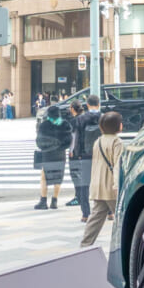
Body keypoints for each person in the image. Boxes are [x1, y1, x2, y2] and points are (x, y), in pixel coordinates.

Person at [80, 111, 123, 247]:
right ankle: (123, 246)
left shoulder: (98, 141)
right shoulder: (117, 142)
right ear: (119, 126)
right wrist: (117, 184)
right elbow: (118, 165)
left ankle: (85, 245)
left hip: (98, 186)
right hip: (111, 187)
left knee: (95, 218)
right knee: (123, 218)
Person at [68, 96, 102, 221]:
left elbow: (76, 138)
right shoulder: (103, 117)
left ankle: (85, 214)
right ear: (98, 104)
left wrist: (76, 153)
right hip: (101, 156)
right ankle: (109, 212)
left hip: (85, 155)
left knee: (84, 185)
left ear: (87, 105)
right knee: (103, 183)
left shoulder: (80, 119)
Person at [34, 104, 72, 210]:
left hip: (47, 154)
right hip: (60, 154)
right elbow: (68, 141)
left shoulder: (44, 125)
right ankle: (54, 201)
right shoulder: (65, 124)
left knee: (44, 177)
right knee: (58, 178)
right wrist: (60, 147)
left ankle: (43, 201)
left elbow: (39, 141)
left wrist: (46, 147)